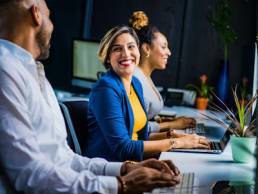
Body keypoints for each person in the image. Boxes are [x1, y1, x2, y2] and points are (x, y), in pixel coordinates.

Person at [0, 0, 181, 193]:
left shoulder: (35, 74)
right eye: (50, 16)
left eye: (130, 47)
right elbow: (30, 176)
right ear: (37, 14)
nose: (52, 26)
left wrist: (125, 169)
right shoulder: (6, 70)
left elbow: (64, 159)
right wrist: (122, 184)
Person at [85, 26, 210, 162]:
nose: (126, 54)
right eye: (117, 49)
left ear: (138, 51)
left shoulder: (136, 84)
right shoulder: (106, 89)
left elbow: (141, 136)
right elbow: (123, 148)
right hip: (111, 167)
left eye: (131, 47)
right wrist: (177, 143)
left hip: (134, 162)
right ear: (108, 58)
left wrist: (176, 137)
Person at [129, 11, 198, 134]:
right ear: (146, 49)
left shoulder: (144, 76)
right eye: (163, 47)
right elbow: (137, 129)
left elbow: (146, 117)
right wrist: (172, 125)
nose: (169, 52)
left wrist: (169, 121)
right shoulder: (135, 79)